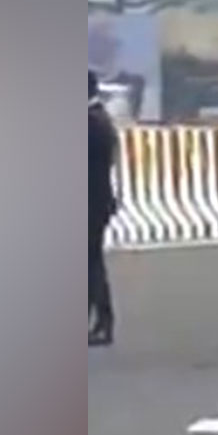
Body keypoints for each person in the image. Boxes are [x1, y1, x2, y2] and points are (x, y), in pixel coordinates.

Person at [88, 70, 119, 346]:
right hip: (95, 201)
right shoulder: (98, 119)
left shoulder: (93, 123)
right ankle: (97, 321)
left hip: (91, 202)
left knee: (92, 264)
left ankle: (103, 322)